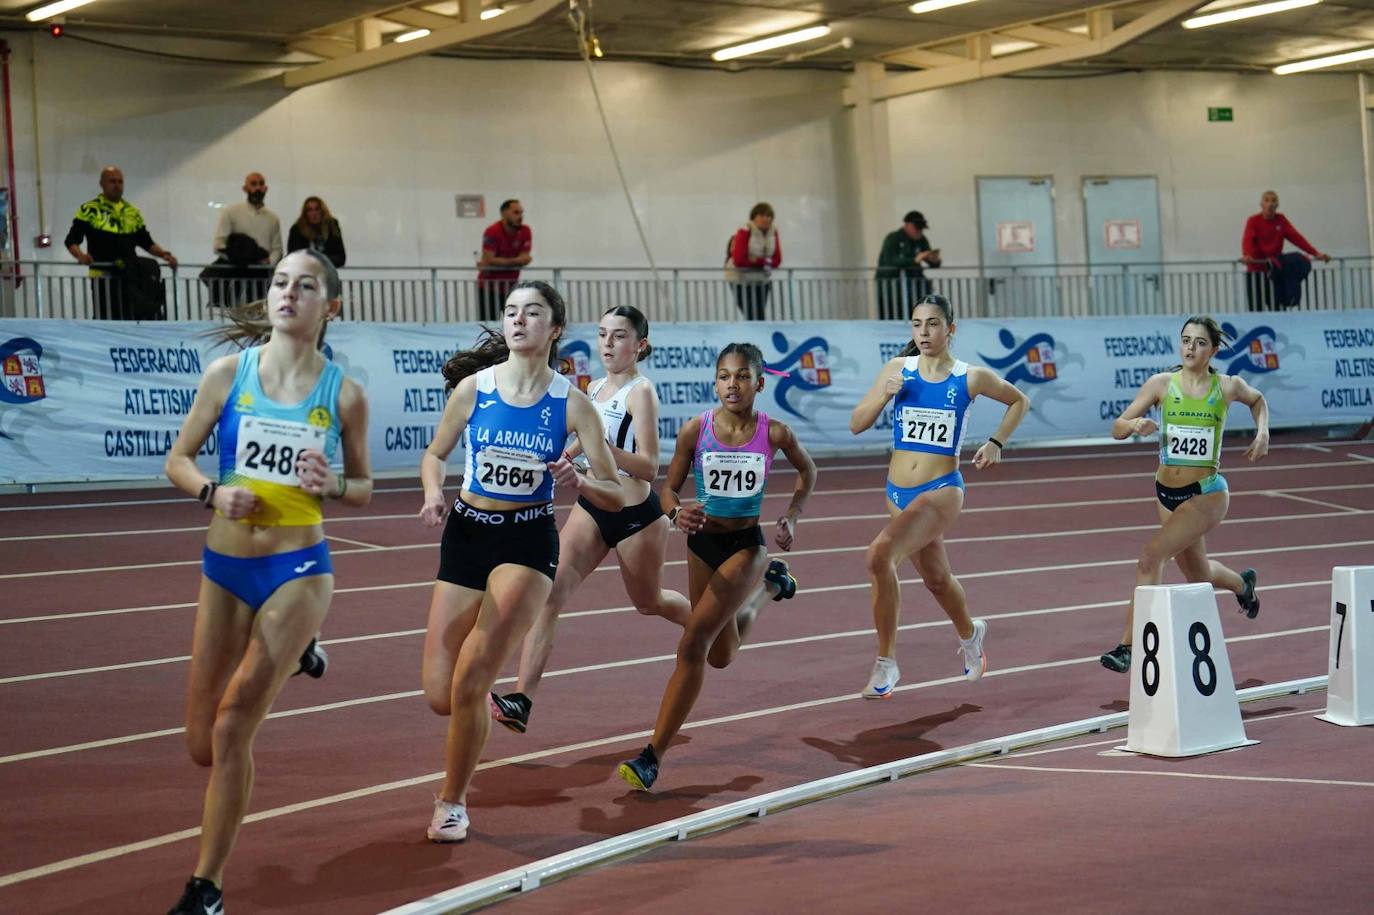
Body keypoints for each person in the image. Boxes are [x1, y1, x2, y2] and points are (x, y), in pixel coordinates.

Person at [162, 249, 372, 915]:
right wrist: (212, 493)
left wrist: (332, 483)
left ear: (328, 305)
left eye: (305, 285)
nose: (288, 293)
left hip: (298, 568)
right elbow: (178, 459)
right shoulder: (228, 375)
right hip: (225, 566)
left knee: (230, 732)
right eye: (280, 282)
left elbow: (364, 486)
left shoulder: (343, 393)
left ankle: (207, 887)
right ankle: (301, 652)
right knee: (200, 744)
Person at [418, 280, 623, 842]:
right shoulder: (473, 389)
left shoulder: (572, 402)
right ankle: (479, 695)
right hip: (466, 534)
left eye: (532, 312)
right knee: (441, 693)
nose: (518, 320)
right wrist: (433, 490)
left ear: (554, 328)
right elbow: (435, 454)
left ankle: (451, 802)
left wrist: (577, 478)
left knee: (467, 680)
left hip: (526, 543)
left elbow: (615, 489)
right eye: (511, 311)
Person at [617, 343, 815, 791]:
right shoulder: (695, 430)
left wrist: (792, 515)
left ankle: (653, 755)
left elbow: (809, 471)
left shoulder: (776, 433)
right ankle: (771, 588)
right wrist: (674, 513)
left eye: (742, 376)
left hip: (745, 545)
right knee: (721, 655)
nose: (733, 384)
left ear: (759, 384)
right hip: (701, 544)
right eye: (724, 376)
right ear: (715, 383)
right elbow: (666, 489)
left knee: (693, 645)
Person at [491, 305, 691, 733]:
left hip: (636, 515)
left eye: (619, 336)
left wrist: (600, 447)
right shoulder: (593, 388)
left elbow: (650, 466)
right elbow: (578, 442)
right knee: (548, 594)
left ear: (640, 345)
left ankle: (710, 624)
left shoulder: (642, 392)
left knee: (648, 602)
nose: (607, 344)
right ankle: (522, 699)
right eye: (602, 334)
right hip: (595, 507)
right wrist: (557, 458)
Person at [850, 293, 1028, 699]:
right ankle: (971, 635)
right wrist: (883, 395)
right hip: (897, 492)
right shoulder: (898, 370)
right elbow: (856, 424)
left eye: (932, 324)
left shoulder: (970, 377)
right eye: (917, 324)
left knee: (879, 556)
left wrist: (997, 441)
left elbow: (1020, 400)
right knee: (936, 578)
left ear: (950, 328)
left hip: (942, 490)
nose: (924, 332)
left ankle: (886, 665)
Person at [1099, 316, 1268, 673]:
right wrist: (1134, 425)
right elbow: (1117, 427)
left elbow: (1258, 400)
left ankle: (1128, 647)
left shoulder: (1227, 386)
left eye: (1200, 342)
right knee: (1199, 576)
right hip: (1166, 494)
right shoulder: (1161, 384)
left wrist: (1262, 433)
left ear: (1214, 350)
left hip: (1206, 494)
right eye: (1186, 340)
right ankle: (1243, 585)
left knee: (1150, 557)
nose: (1191, 348)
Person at [64, 166, 177, 319]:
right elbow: (71, 240)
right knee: (106, 317)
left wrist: (164, 254)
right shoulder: (89, 209)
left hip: (130, 275)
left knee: (131, 315)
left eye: (120, 182)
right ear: (102, 184)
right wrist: (80, 255)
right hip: (103, 276)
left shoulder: (132, 212)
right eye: (112, 181)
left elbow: (146, 242)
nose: (117, 185)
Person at [1240, 190, 1330, 311]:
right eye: (1266, 200)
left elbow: (1296, 238)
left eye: (1273, 200)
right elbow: (1248, 239)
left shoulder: (1281, 220)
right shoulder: (1253, 221)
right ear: (1261, 204)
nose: (1270, 204)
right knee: (1256, 310)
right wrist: (1247, 255)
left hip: (1276, 272)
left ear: (1277, 205)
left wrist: (1315, 253)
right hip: (1256, 271)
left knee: (1278, 308)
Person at [212, 172, 283, 302]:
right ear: (245, 188)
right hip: (235, 274)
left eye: (261, 184)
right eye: (253, 184)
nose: (258, 188)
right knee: (233, 312)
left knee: (259, 312)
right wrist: (239, 259)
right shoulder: (230, 212)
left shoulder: (273, 218)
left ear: (266, 188)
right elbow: (219, 245)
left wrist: (268, 262)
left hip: (261, 275)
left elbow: (277, 249)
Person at [875, 210, 941, 321]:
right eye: (917, 228)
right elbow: (890, 260)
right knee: (893, 320)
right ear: (907, 225)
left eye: (921, 228)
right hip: (892, 290)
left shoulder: (921, 240)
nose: (919, 231)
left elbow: (930, 259)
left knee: (919, 318)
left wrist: (934, 260)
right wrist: (914, 260)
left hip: (914, 289)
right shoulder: (893, 238)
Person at [476, 199, 532, 323]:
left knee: (516, 323)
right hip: (488, 288)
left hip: (511, 287)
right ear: (504, 213)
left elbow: (525, 257)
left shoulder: (525, 231)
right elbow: (489, 258)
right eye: (516, 212)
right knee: (488, 325)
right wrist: (516, 261)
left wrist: (499, 262)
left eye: (521, 213)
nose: (520, 216)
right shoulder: (492, 231)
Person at [725, 202, 782, 321]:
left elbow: (777, 260)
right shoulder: (745, 231)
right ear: (754, 217)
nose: (766, 219)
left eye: (769, 216)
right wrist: (766, 262)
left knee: (760, 316)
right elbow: (739, 260)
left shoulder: (774, 232)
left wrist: (755, 260)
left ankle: (758, 338)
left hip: (761, 280)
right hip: (739, 279)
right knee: (751, 314)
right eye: (762, 215)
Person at [287, 196, 347, 267]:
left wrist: (319, 261)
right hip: (304, 271)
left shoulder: (332, 226)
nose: (314, 213)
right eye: (309, 210)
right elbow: (293, 257)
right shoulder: (297, 230)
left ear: (322, 211)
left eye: (317, 209)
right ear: (305, 213)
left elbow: (340, 258)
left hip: (327, 271)